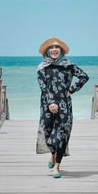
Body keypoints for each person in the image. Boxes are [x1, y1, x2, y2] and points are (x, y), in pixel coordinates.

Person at [36, 37, 89, 178]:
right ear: (47, 51)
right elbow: (43, 88)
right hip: (47, 105)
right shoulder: (43, 67)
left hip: (64, 104)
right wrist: (51, 102)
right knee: (48, 133)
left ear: (61, 50)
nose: (54, 50)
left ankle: (57, 167)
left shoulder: (69, 66)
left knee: (63, 133)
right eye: (51, 48)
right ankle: (52, 154)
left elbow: (84, 77)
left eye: (57, 47)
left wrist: (71, 90)